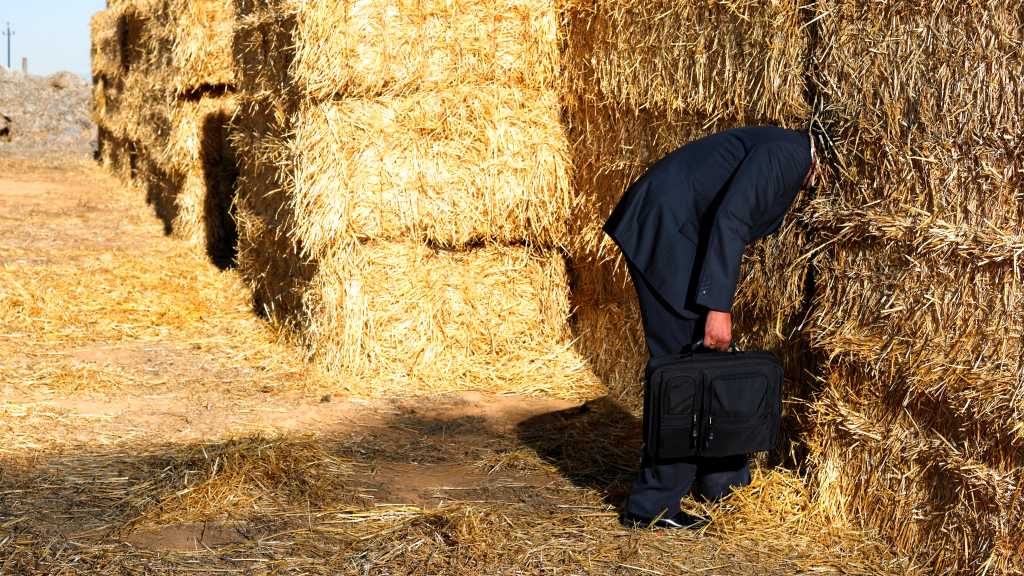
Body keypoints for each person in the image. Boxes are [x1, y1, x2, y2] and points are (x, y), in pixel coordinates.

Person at [604, 125, 817, 529]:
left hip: (674, 231)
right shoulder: (789, 155)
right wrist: (718, 307)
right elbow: (731, 218)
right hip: (665, 231)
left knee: (703, 365)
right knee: (684, 373)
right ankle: (652, 507)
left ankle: (723, 484)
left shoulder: (785, 150)